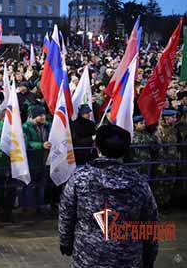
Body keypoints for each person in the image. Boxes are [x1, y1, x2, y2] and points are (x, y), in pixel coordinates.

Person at [58, 125, 158, 268]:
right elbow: (150, 223)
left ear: (97, 148)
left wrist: (65, 242)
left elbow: (66, 214)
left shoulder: (79, 179)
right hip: (128, 258)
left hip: (88, 257)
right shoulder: (139, 183)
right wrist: (150, 255)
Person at [0, 111, 18, 222]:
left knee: (12, 189)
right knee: (0, 188)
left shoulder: (16, 127)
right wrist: (8, 145)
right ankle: (0, 209)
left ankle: (9, 211)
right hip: (0, 161)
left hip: (14, 162)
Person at [22, 106, 51, 212]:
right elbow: (26, 143)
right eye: (40, 115)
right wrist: (41, 145)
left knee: (41, 185)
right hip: (31, 162)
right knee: (29, 185)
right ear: (33, 117)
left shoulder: (47, 126)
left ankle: (40, 205)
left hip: (43, 160)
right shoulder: (25, 127)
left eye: (44, 115)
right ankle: (28, 207)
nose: (43, 117)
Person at [152, 110, 179, 213]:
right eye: (173, 117)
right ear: (166, 118)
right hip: (162, 163)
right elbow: (157, 149)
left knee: (170, 182)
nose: (175, 119)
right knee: (160, 183)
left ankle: (166, 202)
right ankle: (159, 204)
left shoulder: (173, 130)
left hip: (172, 161)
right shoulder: (158, 132)